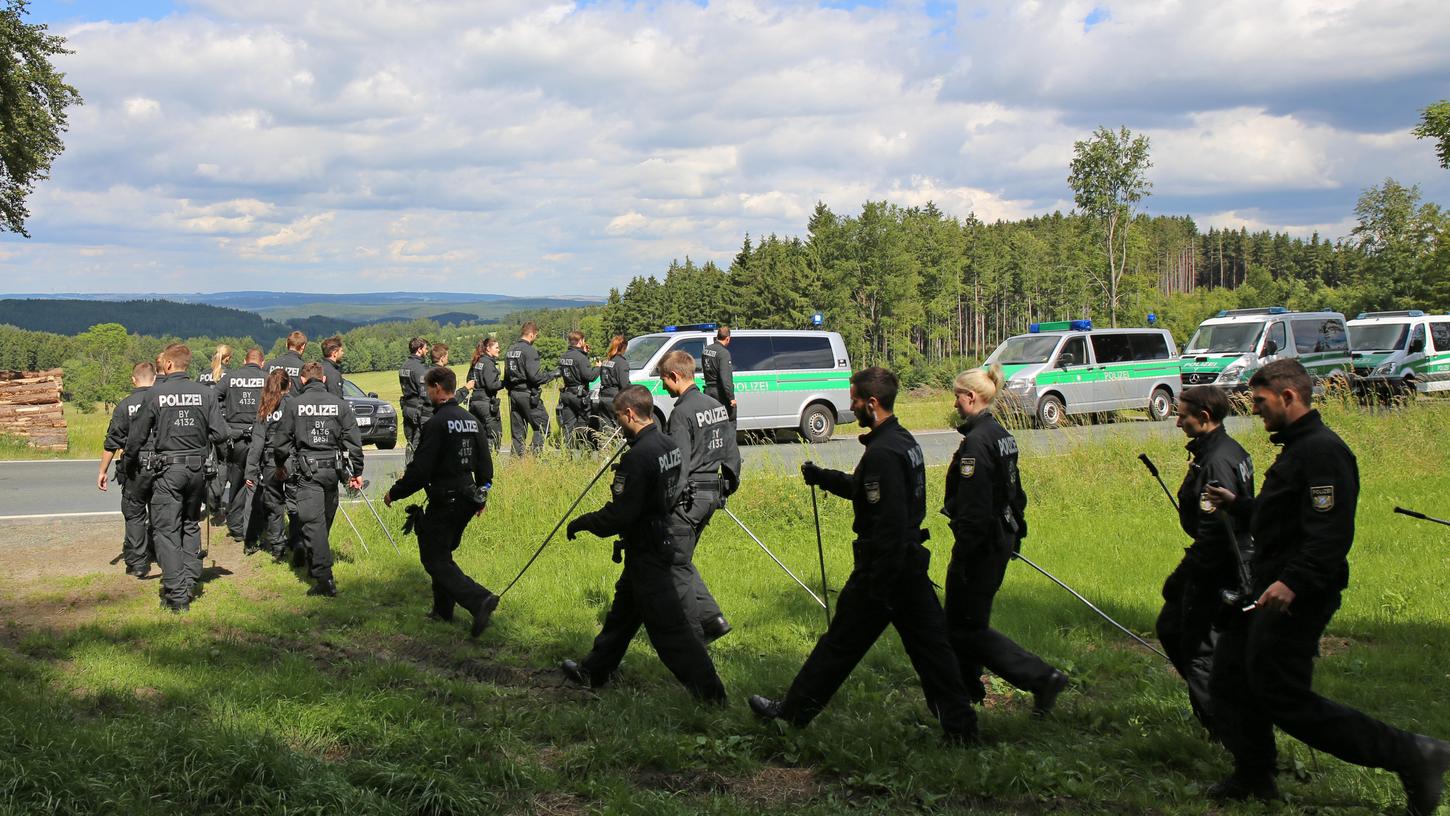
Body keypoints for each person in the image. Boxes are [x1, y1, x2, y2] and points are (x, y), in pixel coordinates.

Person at [1203, 359, 1450, 813]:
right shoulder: (1296, 448)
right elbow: (1282, 517)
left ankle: (1415, 755)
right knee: (1231, 678)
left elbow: (1329, 533)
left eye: (1259, 401)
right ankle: (1254, 775)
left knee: (1283, 697)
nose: (1253, 410)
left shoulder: (1322, 452)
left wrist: (1291, 583)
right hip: (1266, 587)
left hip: (1297, 594)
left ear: (1289, 397)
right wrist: (1239, 505)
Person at [748, 367, 977, 743]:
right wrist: (823, 477)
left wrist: (878, 584)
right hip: (908, 564)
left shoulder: (883, 453)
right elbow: (866, 490)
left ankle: (790, 715)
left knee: (839, 645)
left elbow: (888, 519)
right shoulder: (902, 441)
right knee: (933, 652)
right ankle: (962, 729)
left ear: (872, 403)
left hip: (885, 568)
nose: (851, 406)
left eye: (855, 399)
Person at [560, 385, 727, 702]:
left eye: (618, 418)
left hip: (648, 549)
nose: (617, 425)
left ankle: (712, 695)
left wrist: (584, 523)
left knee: (671, 633)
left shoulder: (638, 457)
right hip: (653, 542)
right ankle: (594, 671)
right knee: (621, 618)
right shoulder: (667, 445)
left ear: (629, 414)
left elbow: (621, 515)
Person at [942, 365, 1069, 717]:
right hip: (1000, 536)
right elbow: (1016, 492)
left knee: (965, 628)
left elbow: (975, 505)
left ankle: (1041, 677)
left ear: (971, 397)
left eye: (957, 395)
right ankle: (968, 689)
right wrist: (1017, 533)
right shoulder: (1000, 434)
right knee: (964, 623)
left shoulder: (978, 443)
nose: (955, 402)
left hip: (981, 544)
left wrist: (966, 553)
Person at [1155, 385, 1253, 734]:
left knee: (1198, 651)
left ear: (1205, 417)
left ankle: (1227, 731)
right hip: (1219, 560)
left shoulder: (1217, 462)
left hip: (1219, 567)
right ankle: (1221, 719)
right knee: (1170, 628)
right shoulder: (1221, 451)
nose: (1177, 421)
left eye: (1182, 415)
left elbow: (1215, 533)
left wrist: (1183, 577)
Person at [384, 366, 500, 638]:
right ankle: (442, 611)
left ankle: (479, 599)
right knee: (442, 552)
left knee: (434, 559)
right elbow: (485, 464)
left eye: (427, 388)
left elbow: (421, 469)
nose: (426, 393)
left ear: (437, 388)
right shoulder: (471, 420)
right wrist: (483, 493)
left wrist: (395, 492)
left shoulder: (436, 424)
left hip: (445, 498)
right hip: (468, 498)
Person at [126, 345, 230, 613]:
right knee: (190, 522)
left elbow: (137, 436)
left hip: (168, 470)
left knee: (166, 531)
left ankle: (177, 594)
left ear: (169, 365)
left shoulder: (155, 393)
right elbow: (220, 434)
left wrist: (130, 465)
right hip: (198, 470)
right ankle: (192, 576)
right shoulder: (205, 393)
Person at [659, 350, 741, 642]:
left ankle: (696, 631)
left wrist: (665, 503)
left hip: (687, 498)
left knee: (675, 565)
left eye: (664, 380)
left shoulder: (681, 413)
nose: (663, 387)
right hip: (710, 495)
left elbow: (677, 465)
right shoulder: (715, 405)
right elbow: (732, 452)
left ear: (675, 376)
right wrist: (727, 488)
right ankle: (711, 621)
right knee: (682, 560)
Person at [270, 362, 364, 597]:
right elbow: (354, 440)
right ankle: (318, 565)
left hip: (307, 472)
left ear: (302, 381)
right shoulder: (340, 405)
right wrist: (357, 472)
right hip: (333, 471)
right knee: (322, 522)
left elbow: (280, 443)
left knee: (314, 525)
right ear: (322, 380)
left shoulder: (294, 405)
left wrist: (281, 465)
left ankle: (324, 580)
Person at [98, 361, 158, 579]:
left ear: (134, 380)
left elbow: (111, 442)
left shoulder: (124, 406)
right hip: (163, 466)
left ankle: (138, 562)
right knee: (161, 513)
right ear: (154, 378)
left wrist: (102, 471)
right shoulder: (162, 401)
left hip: (135, 467)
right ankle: (161, 554)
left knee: (134, 513)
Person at [214, 348, 268, 542]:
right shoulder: (267, 378)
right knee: (257, 482)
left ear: (245, 361)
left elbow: (213, 397)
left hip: (235, 438)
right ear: (262, 363)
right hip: (259, 437)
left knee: (236, 482)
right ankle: (256, 525)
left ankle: (236, 527)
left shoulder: (231, 377)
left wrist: (222, 422)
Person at [244, 370, 292, 559]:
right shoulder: (294, 405)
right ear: (289, 385)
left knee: (274, 505)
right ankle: (298, 543)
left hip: (270, 462)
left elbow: (257, 443)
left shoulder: (265, 408)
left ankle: (278, 546)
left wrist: (250, 472)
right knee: (295, 503)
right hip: (292, 459)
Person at [504, 321, 557, 456]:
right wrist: (553, 374)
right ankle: (534, 457)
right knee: (543, 426)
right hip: (528, 395)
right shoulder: (530, 350)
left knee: (518, 433)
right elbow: (535, 377)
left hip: (514, 395)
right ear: (532, 334)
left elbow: (506, 377)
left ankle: (515, 463)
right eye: (536, 336)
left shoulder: (510, 350)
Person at [200, 344, 232, 524]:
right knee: (223, 462)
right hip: (223, 422)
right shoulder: (230, 375)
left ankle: (206, 498)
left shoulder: (202, 375)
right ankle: (216, 500)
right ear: (228, 358)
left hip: (204, 424)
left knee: (204, 462)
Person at [556, 331, 598, 448]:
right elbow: (589, 376)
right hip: (579, 396)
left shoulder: (564, 356)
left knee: (568, 426)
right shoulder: (581, 358)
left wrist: (585, 354)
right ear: (581, 341)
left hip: (567, 394)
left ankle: (569, 453)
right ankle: (585, 449)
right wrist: (598, 368)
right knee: (585, 424)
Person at [466, 337, 505, 452]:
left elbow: (469, 379)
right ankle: (490, 461)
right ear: (488, 348)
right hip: (486, 403)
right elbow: (491, 385)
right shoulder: (487, 363)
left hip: (474, 402)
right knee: (494, 434)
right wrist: (504, 382)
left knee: (478, 434)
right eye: (496, 347)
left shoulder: (476, 361)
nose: (499, 350)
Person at [399, 337, 431, 465]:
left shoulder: (404, 366)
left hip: (406, 406)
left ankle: (408, 468)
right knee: (419, 442)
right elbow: (424, 391)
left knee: (411, 441)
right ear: (419, 350)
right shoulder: (419, 368)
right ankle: (414, 471)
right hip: (417, 408)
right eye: (425, 348)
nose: (427, 351)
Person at [593, 334, 630, 435]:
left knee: (605, 427)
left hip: (603, 397)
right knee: (618, 429)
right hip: (615, 398)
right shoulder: (622, 363)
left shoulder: (607, 361)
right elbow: (624, 385)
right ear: (624, 347)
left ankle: (605, 448)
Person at [702, 326, 736, 424]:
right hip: (720, 393)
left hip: (708, 390)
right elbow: (726, 378)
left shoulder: (706, 350)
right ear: (728, 338)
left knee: (712, 423)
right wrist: (731, 398)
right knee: (729, 421)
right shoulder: (724, 353)